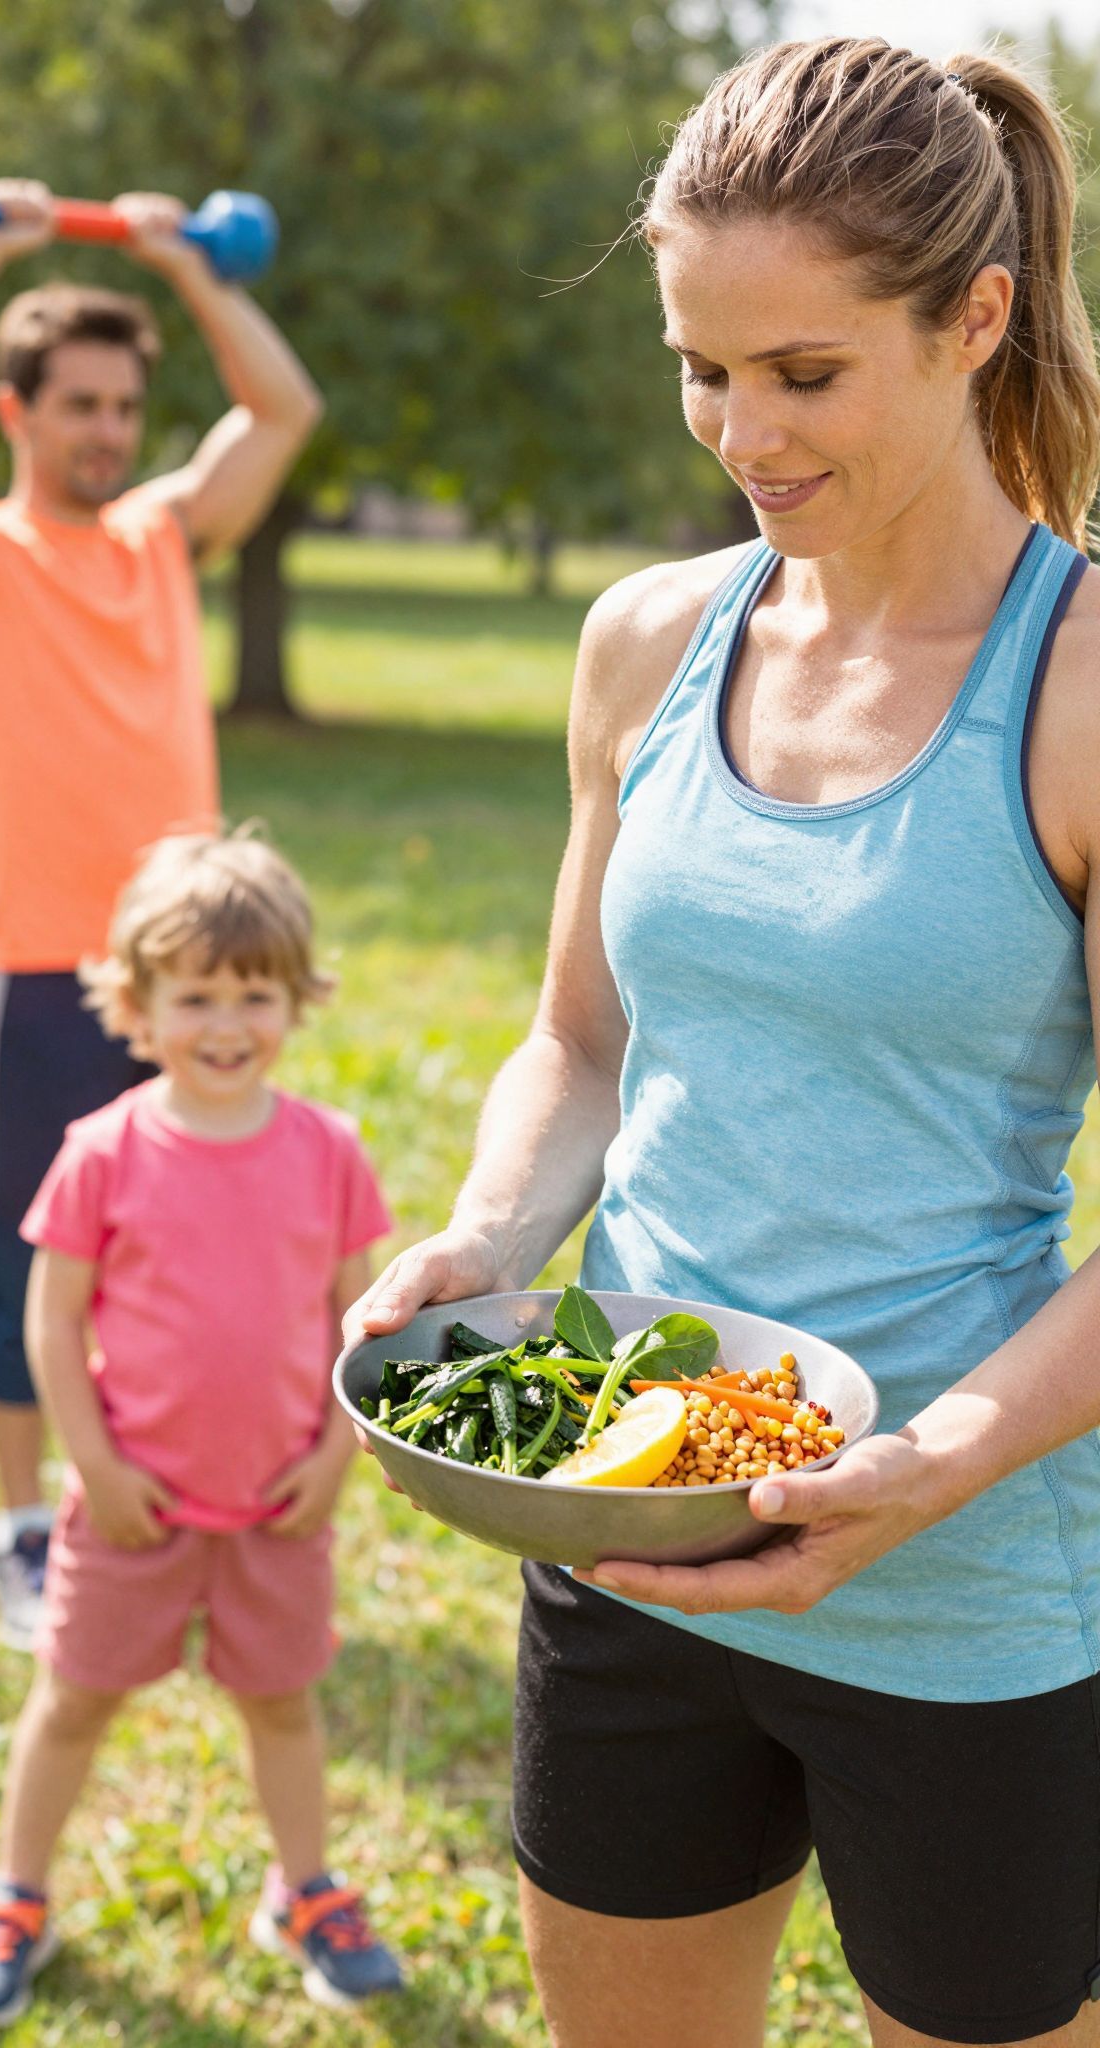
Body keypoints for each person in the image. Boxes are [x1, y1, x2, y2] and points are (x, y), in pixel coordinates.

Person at [345, 37, 1100, 2048]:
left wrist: (929, 1464)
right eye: (701, 365)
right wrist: (491, 1232)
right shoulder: (647, 643)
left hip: (960, 1583)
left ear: (977, 318)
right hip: (625, 1520)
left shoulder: (1081, 689)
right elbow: (579, 1047)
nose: (737, 432)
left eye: (805, 372)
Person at [0, 180, 323, 1647]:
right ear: (17, 410)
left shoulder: (167, 535)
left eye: (123, 404)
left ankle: (165, 1498)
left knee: (187, 1244)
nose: (108, 429)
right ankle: (25, 1524)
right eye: (79, 405)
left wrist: (185, 270)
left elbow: (280, 410)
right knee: (33, 1252)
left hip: (190, 974)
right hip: (36, 960)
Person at [0, 829, 404, 2024]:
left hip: (278, 1502)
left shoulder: (330, 1151)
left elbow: (355, 1323)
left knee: (283, 1702)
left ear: (296, 998)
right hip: (130, 1500)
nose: (226, 1020)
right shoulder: (103, 1151)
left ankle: (303, 1886)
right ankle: (16, 1889)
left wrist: (330, 1456)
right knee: (75, 1696)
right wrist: (90, 1463)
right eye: (194, 993)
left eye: (254, 992)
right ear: (136, 1006)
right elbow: (51, 1326)